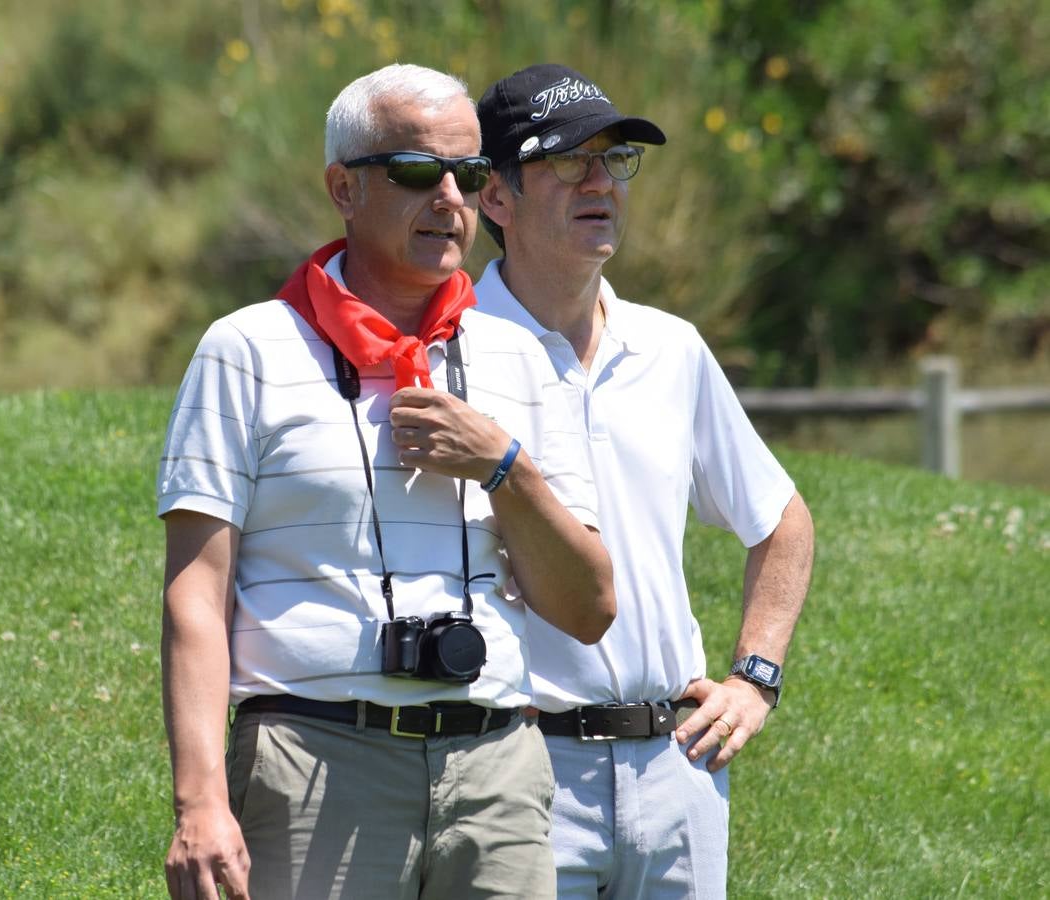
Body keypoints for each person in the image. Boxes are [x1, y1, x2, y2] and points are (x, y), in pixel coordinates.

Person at [158, 63, 617, 900]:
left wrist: (503, 467)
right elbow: (195, 596)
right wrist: (201, 803)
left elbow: (587, 609)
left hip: (498, 772)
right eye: (415, 172)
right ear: (343, 187)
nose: (450, 198)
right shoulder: (248, 349)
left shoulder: (523, 358)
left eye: (471, 176)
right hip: (316, 761)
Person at [473, 64, 816, 898]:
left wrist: (755, 680)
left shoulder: (671, 348)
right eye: (567, 162)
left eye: (613, 160)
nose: (601, 183)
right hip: (519, 771)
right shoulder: (455, 351)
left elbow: (782, 521)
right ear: (495, 199)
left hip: (678, 769)